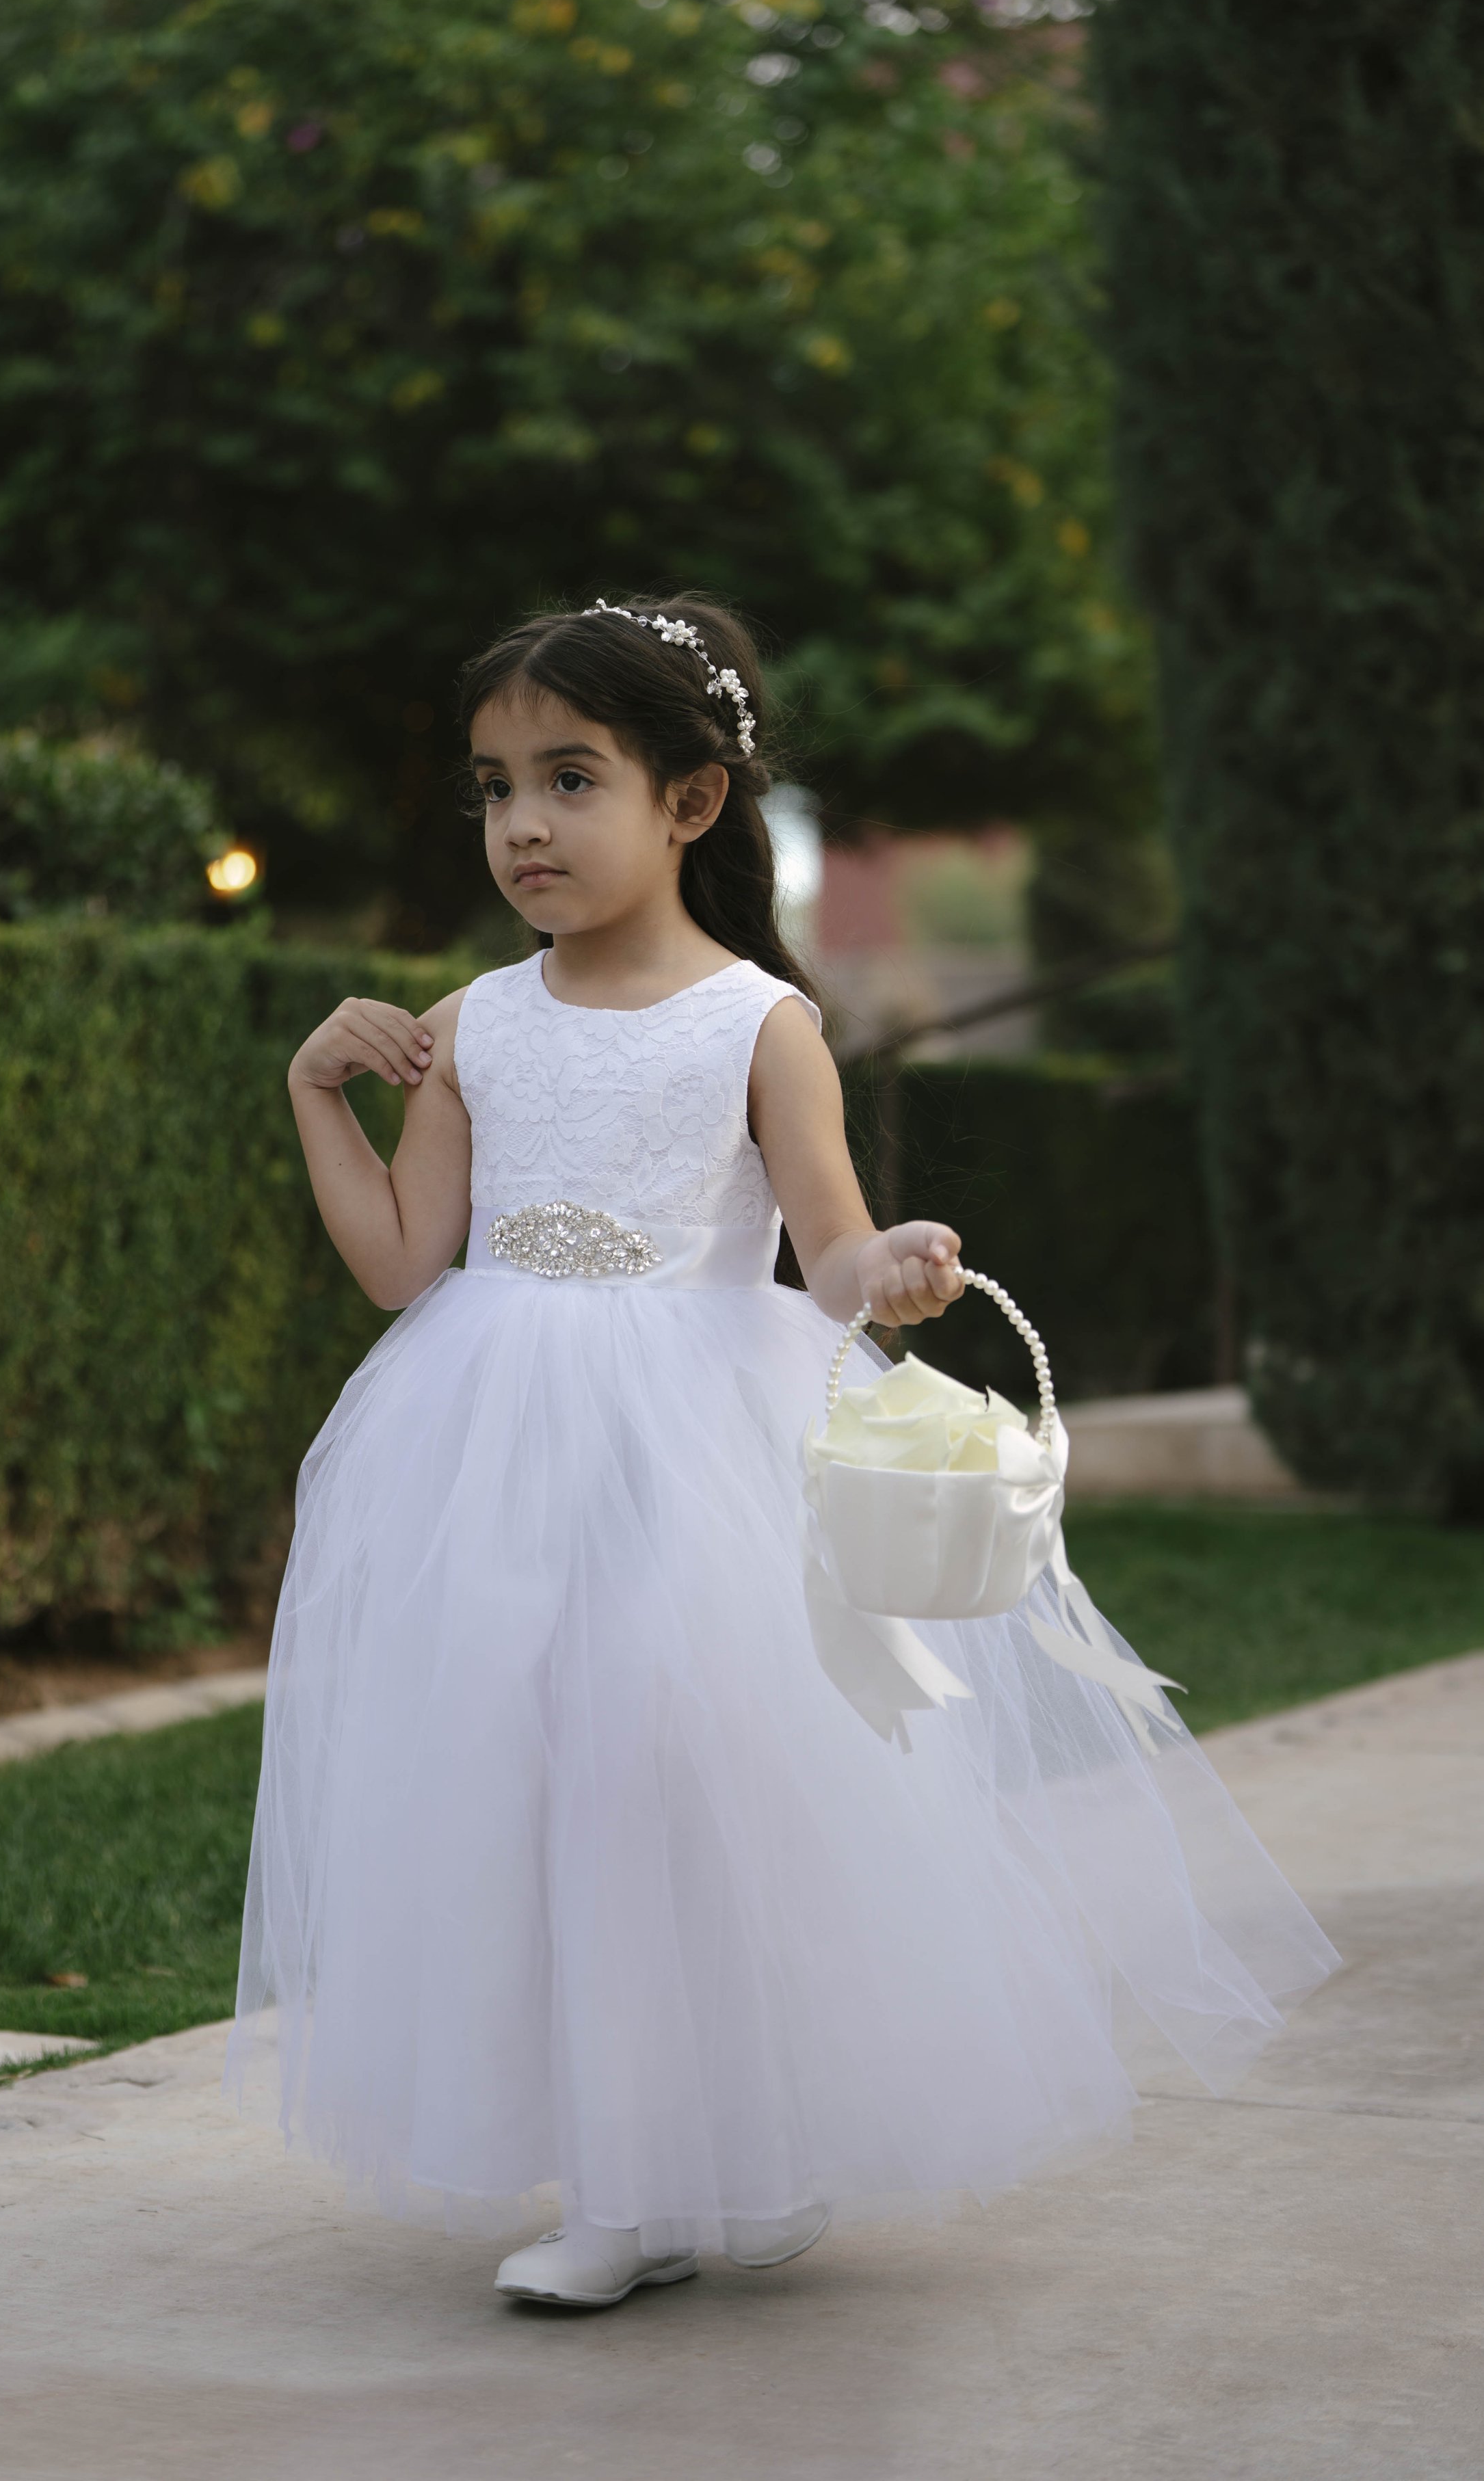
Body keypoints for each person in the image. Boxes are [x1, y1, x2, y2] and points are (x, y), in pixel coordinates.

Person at [226, 594, 1336, 2309]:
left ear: (689, 802)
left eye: (569, 778)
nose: (522, 821)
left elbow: (821, 1248)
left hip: (689, 1440)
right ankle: (629, 2175)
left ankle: (680, 2169)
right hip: (492, 1442)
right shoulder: (474, 1023)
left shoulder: (758, 1023)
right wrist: (319, 1096)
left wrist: (879, 1269)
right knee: (533, 1785)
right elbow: (400, 1266)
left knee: (658, 1780)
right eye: (494, 785)